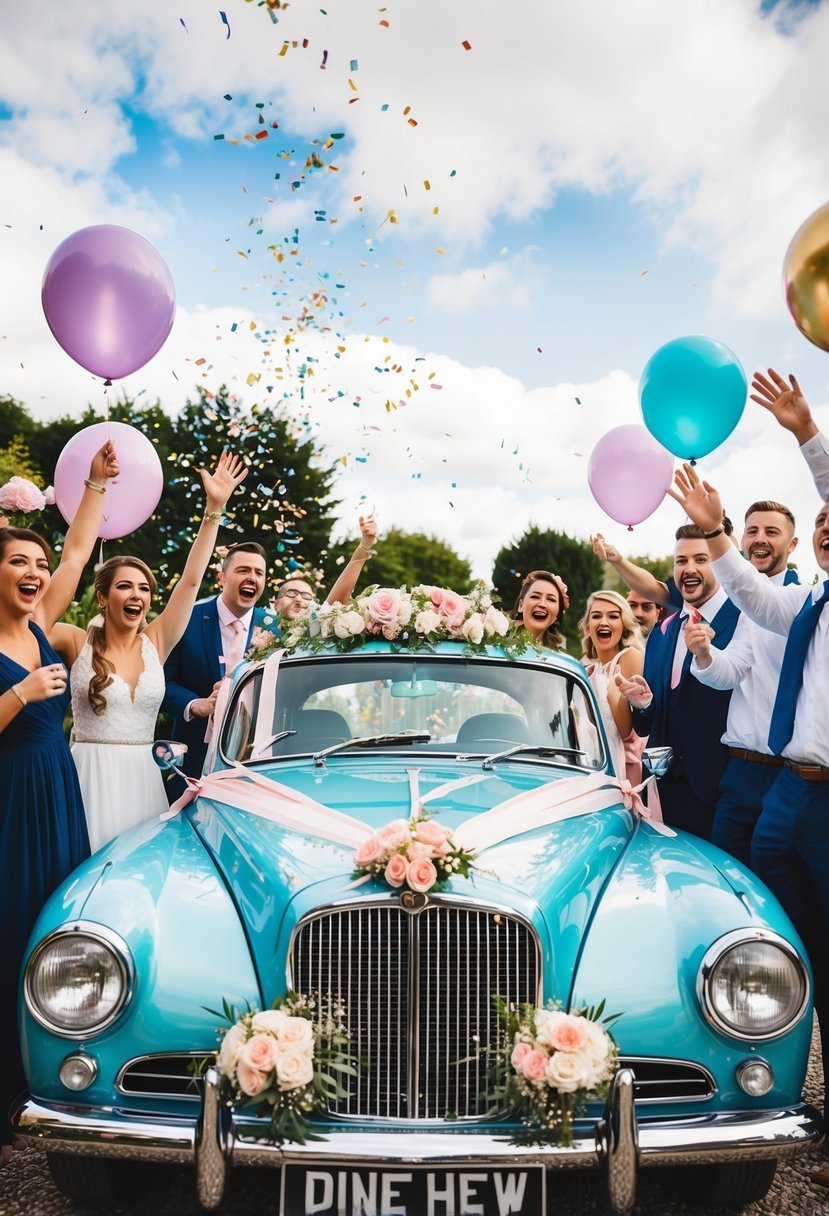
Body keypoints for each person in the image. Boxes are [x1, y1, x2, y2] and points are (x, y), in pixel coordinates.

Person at [0, 440, 119, 1158]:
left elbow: (78, 554)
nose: (37, 572)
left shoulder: (43, 623)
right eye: (19, 561)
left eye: (38, 566)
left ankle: (42, 1087)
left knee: (51, 935)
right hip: (9, 799)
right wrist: (17, 692)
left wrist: (96, 486)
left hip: (55, 795)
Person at [50, 451, 248, 853]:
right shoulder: (74, 640)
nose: (137, 595)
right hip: (88, 775)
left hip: (143, 779)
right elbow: (32, 615)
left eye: (144, 588)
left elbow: (191, 583)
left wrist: (214, 509)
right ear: (103, 597)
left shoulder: (157, 641)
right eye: (125, 586)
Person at [162, 515, 379, 785]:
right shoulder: (187, 620)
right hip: (190, 761)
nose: (252, 577)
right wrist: (197, 705)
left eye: (259, 573)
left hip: (259, 765)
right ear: (222, 577)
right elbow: (163, 685)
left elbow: (332, 609)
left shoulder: (278, 628)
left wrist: (363, 548)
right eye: (243, 570)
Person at [685, 499, 802, 866]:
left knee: (783, 882)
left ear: (792, 544)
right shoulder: (745, 611)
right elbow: (732, 669)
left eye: (771, 531)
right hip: (738, 773)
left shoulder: (805, 603)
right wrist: (705, 654)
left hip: (791, 776)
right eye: (752, 531)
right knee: (725, 876)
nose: (760, 539)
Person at [615, 524, 740, 839]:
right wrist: (643, 703)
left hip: (718, 794)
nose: (689, 569)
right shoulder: (662, 631)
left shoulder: (743, 620)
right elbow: (646, 726)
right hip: (658, 792)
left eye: (701, 559)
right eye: (681, 561)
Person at [578, 590, 647, 784]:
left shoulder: (630, 657)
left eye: (613, 616)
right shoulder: (588, 668)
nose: (604, 622)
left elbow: (625, 731)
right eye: (596, 616)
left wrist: (613, 693)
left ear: (623, 625)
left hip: (623, 773)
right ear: (587, 627)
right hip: (593, 768)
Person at [509, 570, 569, 650]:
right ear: (521, 605)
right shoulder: (493, 638)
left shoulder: (559, 658)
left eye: (551, 599)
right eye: (535, 597)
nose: (542, 604)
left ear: (557, 614)